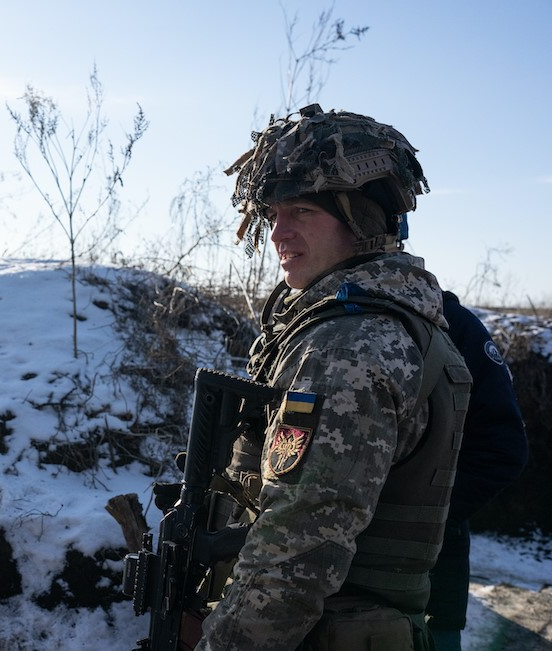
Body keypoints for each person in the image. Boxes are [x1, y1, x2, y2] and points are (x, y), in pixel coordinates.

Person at [195, 105, 473, 651]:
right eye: (273, 214)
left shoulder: (348, 344)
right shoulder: (398, 319)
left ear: (363, 219)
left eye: (301, 210)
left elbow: (296, 548)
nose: (279, 233)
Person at [426, 291, 528, 650]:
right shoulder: (310, 317)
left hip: (427, 588)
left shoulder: (449, 323)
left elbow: (502, 448)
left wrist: (421, 518)